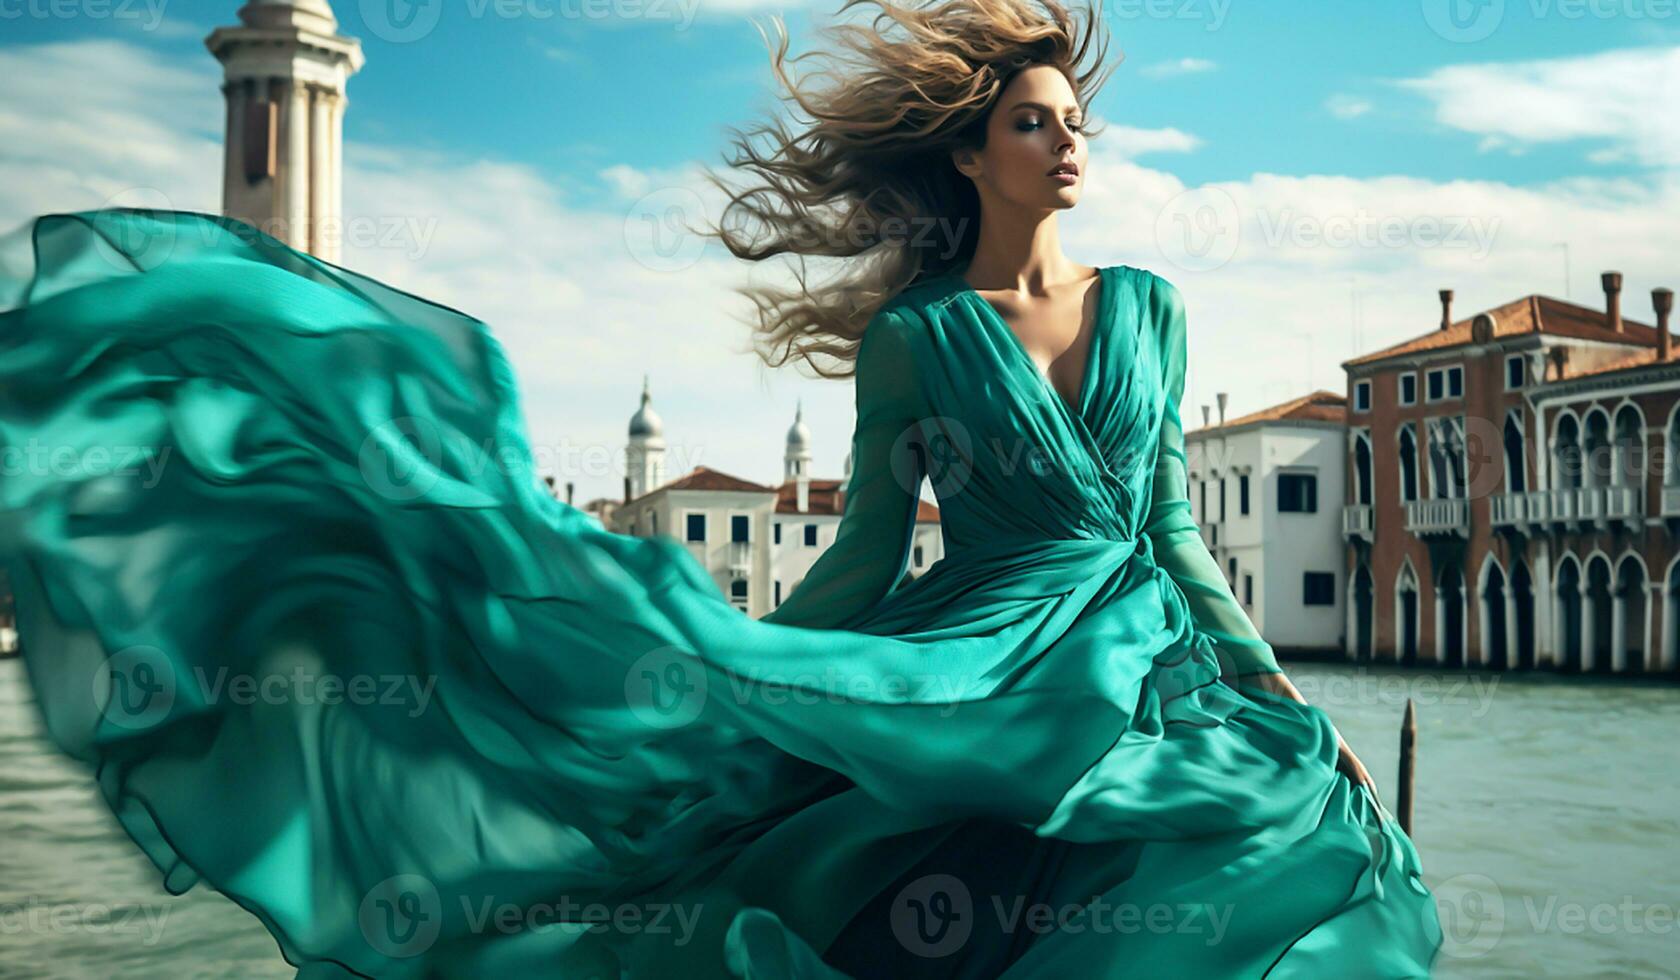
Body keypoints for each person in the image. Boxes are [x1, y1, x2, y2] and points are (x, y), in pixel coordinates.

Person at [0, 0, 1442, 976]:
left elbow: (1178, 541)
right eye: (1035, 124)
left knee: (1305, 839)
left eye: (1075, 123)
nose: (1072, 144)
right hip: (971, 657)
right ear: (967, 151)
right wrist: (739, 680)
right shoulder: (918, 339)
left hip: (1146, 667)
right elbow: (865, 558)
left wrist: (1289, 701)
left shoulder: (1153, 304)